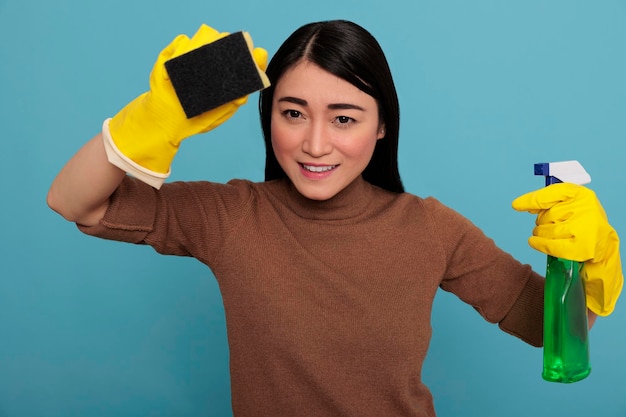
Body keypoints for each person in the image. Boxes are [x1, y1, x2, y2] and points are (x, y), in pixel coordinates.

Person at [47, 20, 622, 417]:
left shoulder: (431, 229)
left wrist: (587, 268)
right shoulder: (230, 215)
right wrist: (153, 119)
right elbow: (77, 203)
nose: (315, 143)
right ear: (268, 117)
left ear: (382, 126)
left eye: (344, 118)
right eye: (293, 113)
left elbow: (551, 331)